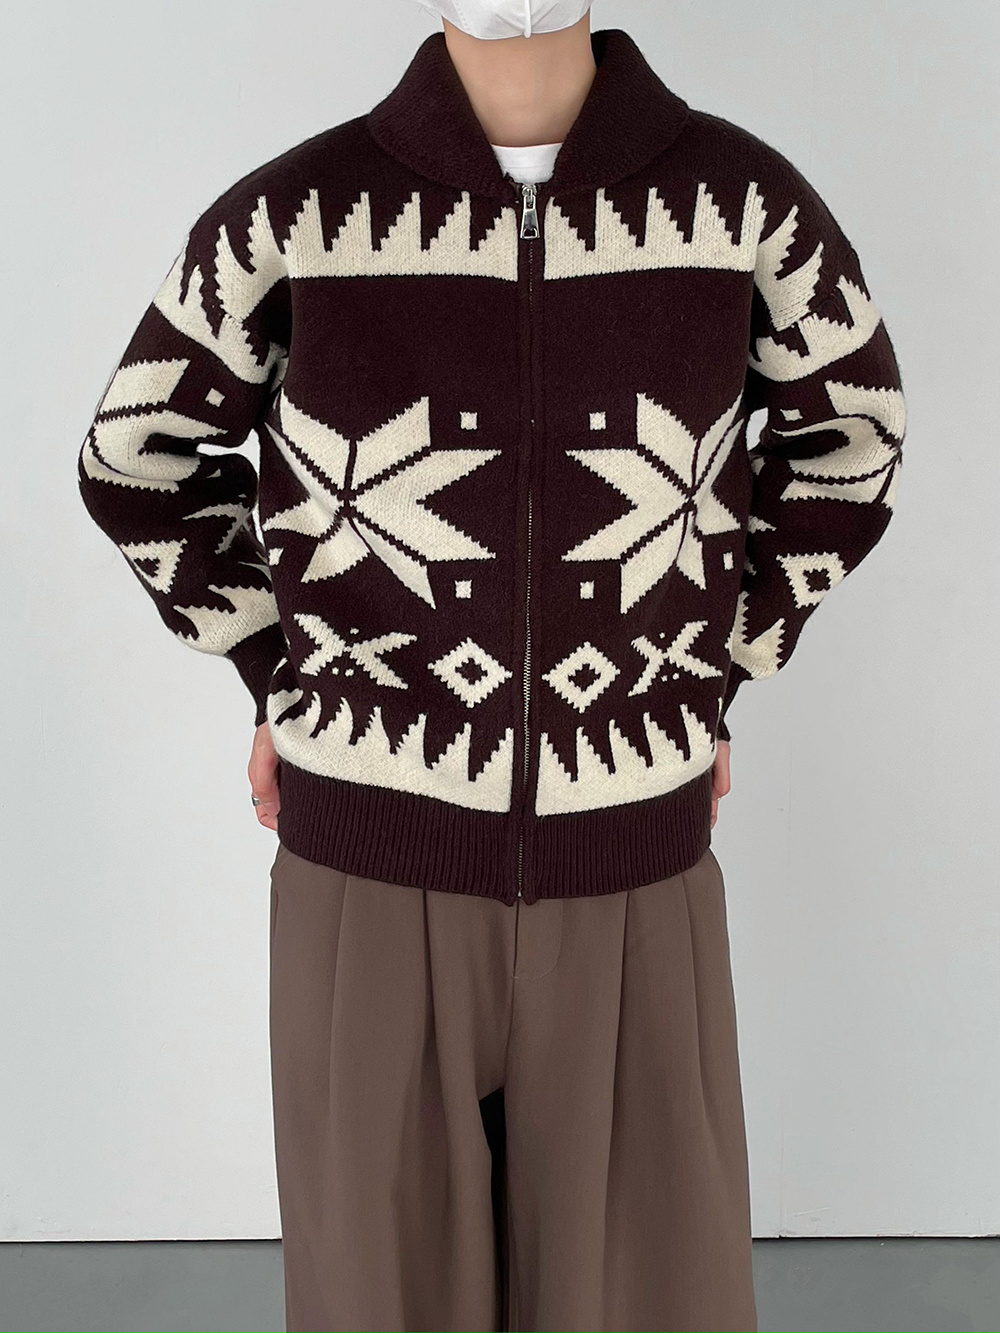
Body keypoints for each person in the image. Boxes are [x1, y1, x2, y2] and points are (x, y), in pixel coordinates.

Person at [76, 1, 905, 1329]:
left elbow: (851, 440)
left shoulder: (744, 207)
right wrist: (282, 669)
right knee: (377, 1302)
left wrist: (716, 668)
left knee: (647, 1303)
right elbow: (136, 458)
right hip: (368, 869)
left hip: (632, 871)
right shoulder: (296, 218)